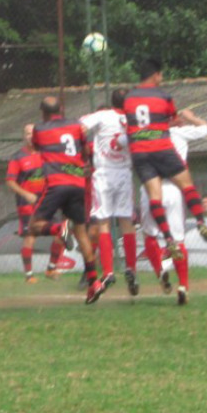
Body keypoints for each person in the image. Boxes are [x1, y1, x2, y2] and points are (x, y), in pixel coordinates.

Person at [123, 60, 207, 260]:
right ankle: (201, 222)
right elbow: (172, 118)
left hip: (140, 152)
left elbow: (132, 123)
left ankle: (168, 239)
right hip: (161, 147)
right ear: (156, 75)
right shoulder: (163, 96)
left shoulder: (129, 98)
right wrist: (178, 119)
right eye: (161, 75)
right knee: (187, 185)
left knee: (154, 197)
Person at [28, 95, 106, 304]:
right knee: (81, 233)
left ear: (43, 112)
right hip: (78, 183)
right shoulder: (76, 126)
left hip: (56, 183)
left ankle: (58, 230)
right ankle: (94, 283)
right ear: (61, 109)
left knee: (34, 226)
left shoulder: (40, 129)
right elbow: (86, 150)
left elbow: (35, 146)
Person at [138, 108, 207, 304]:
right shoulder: (181, 132)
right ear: (172, 121)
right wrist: (192, 117)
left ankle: (160, 271)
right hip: (174, 189)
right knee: (178, 240)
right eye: (176, 117)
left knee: (150, 235)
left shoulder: (143, 135)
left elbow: (118, 142)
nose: (179, 120)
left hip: (150, 189)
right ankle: (183, 285)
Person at [81, 89, 142, 295]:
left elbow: (80, 127)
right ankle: (131, 268)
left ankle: (108, 272)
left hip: (104, 174)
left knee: (104, 222)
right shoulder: (133, 120)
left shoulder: (103, 115)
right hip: (124, 172)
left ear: (111, 102)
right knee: (127, 223)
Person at [7, 123, 69, 283]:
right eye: (27, 133)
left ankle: (51, 268)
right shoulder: (17, 157)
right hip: (28, 205)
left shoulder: (47, 154)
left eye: (33, 133)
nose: (30, 136)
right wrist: (26, 194)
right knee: (31, 235)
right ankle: (29, 276)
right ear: (23, 137)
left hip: (49, 201)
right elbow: (10, 182)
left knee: (64, 231)